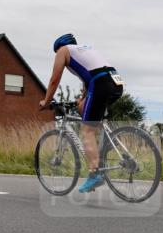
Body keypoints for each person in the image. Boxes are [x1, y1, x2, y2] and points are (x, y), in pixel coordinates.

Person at [39, 33, 124, 193]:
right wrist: (82, 99)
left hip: (100, 83)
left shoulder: (63, 51)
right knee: (84, 109)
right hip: (115, 82)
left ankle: (95, 175)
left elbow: (54, 80)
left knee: (86, 131)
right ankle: (109, 140)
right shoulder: (84, 50)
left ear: (58, 47)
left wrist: (46, 100)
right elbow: (89, 79)